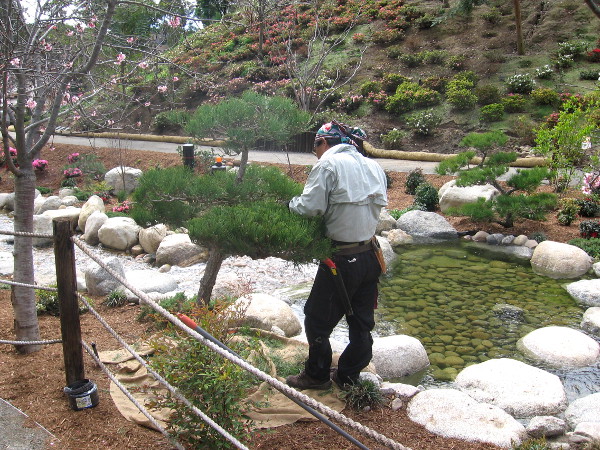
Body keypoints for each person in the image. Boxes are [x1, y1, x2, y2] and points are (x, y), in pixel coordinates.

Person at [285, 121, 388, 390]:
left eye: (315, 146)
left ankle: (317, 375)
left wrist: (288, 204)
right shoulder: (373, 166)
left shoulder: (328, 165)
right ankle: (348, 375)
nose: (314, 152)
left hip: (339, 259)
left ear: (324, 142)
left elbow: (310, 208)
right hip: (370, 256)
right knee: (361, 321)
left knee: (317, 319)